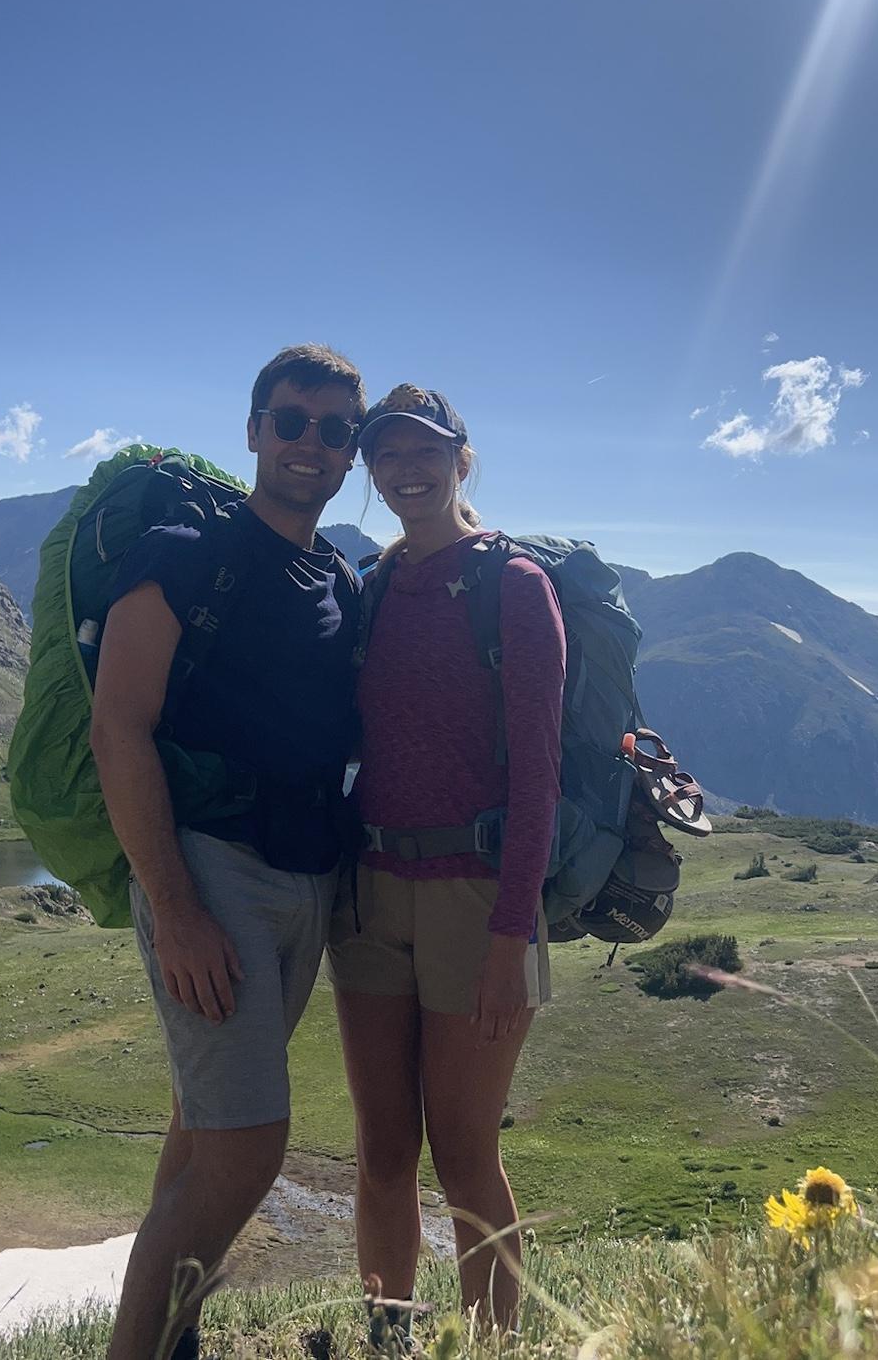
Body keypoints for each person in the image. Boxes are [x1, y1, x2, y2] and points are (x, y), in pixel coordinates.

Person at [90, 344, 366, 1360]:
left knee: (206, 1133)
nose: (311, 443)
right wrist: (178, 909)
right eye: (291, 420)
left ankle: (177, 1342)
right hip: (211, 875)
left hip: (309, 877)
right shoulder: (184, 553)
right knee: (248, 1149)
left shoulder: (337, 574)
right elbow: (118, 727)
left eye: (336, 429)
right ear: (253, 429)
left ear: (350, 455)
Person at [328, 384, 565, 1339]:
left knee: (464, 1153)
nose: (403, 471)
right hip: (373, 891)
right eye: (385, 455)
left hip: (477, 895)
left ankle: (490, 1346)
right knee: (383, 1149)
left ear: (463, 460)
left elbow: (540, 778)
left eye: (424, 452)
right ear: (371, 469)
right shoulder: (378, 582)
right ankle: (391, 1337)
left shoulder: (514, 584)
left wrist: (513, 936)